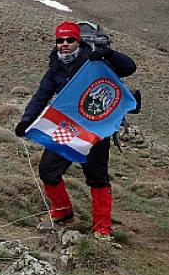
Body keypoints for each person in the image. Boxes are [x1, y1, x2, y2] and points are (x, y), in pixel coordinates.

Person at [14, 21, 136, 237]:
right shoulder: (55, 68)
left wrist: (109, 55)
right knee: (48, 170)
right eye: (60, 41)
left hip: (96, 128)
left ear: (78, 41)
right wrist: (26, 121)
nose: (64, 44)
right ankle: (62, 212)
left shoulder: (94, 60)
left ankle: (102, 229)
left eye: (69, 40)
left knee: (97, 176)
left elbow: (129, 68)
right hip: (67, 128)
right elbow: (41, 96)